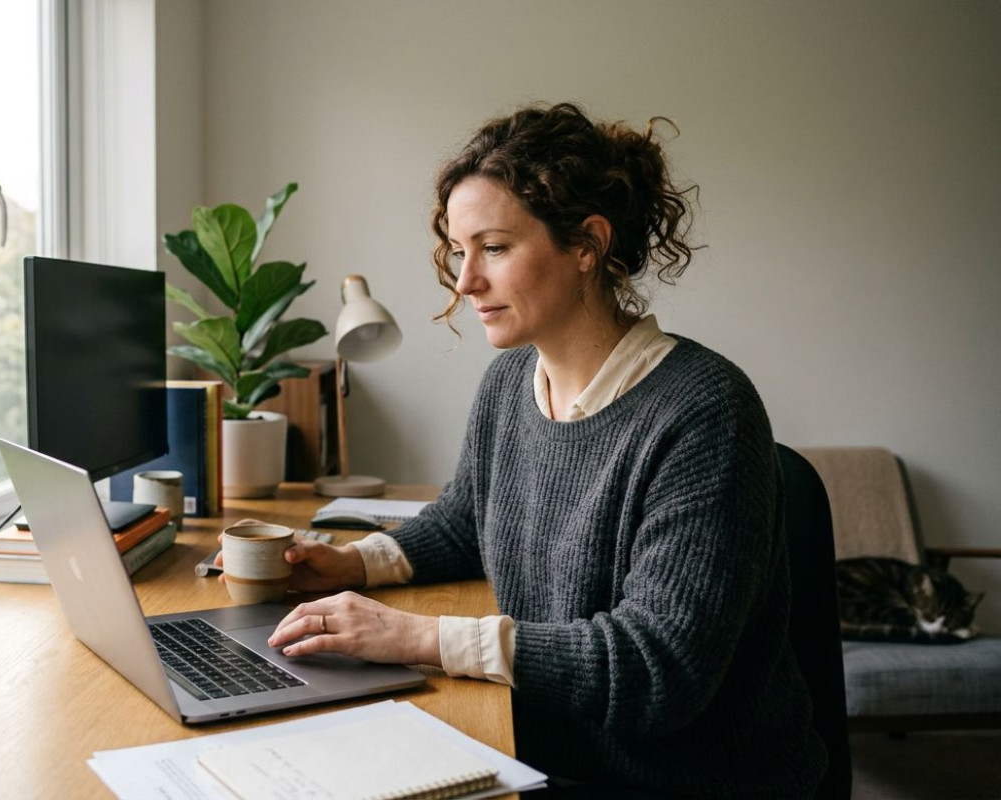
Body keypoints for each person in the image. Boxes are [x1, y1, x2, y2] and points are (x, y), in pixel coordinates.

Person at [254, 103, 828, 798]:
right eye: (459, 252)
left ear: (587, 244)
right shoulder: (509, 383)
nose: (465, 282)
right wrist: (350, 562)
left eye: (494, 248)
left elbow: (658, 669)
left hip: (683, 783)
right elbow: (464, 524)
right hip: (539, 748)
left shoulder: (705, 409)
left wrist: (417, 637)